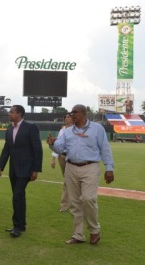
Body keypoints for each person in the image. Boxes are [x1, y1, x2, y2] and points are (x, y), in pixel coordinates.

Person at [47, 104, 115, 245]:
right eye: (71, 113)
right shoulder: (67, 131)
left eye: (75, 112)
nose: (72, 115)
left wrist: (109, 168)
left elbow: (105, 149)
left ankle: (94, 230)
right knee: (74, 202)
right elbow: (60, 147)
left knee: (88, 198)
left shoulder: (97, 129)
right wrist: (52, 144)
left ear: (84, 113)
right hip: (71, 167)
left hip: (90, 167)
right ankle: (78, 235)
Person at [0, 105, 43, 238]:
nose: (9, 114)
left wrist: (35, 169)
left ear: (19, 114)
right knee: (19, 197)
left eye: (11, 112)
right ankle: (20, 225)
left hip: (26, 169)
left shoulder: (31, 127)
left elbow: (37, 149)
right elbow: (7, 150)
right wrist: (0, 167)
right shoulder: (9, 129)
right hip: (13, 170)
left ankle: (18, 226)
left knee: (17, 196)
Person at [50, 113, 73, 212]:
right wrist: (53, 158)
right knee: (67, 180)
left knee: (68, 181)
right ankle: (66, 204)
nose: (66, 119)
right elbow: (58, 145)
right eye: (65, 117)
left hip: (72, 158)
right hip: (62, 157)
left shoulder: (76, 130)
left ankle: (65, 205)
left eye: (69, 117)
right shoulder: (62, 131)